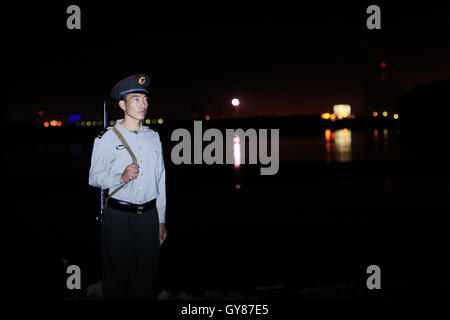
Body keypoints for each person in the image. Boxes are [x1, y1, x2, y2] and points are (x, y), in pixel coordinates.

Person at [89, 73, 167, 299]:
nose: (143, 105)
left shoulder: (153, 137)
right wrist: (119, 177)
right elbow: (94, 177)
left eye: (145, 100)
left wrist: (161, 219)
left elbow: (160, 179)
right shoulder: (107, 137)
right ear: (123, 104)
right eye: (136, 99)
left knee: (145, 281)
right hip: (119, 217)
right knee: (117, 281)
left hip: (149, 217)